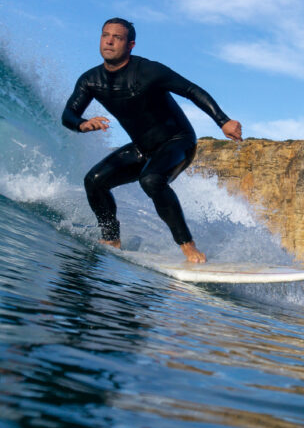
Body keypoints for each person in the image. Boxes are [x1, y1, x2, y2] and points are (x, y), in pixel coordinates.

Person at [62, 17, 242, 263]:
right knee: (94, 181)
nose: (110, 41)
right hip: (143, 148)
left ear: (131, 45)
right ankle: (111, 238)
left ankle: (188, 246)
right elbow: (68, 114)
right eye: (105, 35)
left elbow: (191, 90)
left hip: (178, 141)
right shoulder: (91, 80)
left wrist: (223, 120)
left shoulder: (149, 71)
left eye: (118, 37)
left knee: (151, 179)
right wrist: (81, 124)